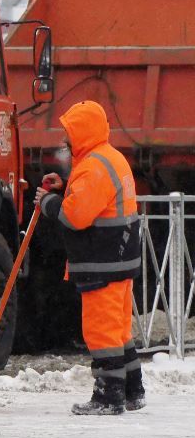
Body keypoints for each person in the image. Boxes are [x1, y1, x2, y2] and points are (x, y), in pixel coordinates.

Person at [34, 100, 144, 415]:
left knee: (101, 331)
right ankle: (133, 390)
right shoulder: (110, 158)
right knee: (119, 330)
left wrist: (49, 202)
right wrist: (66, 187)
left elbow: (76, 215)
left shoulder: (93, 165)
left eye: (69, 133)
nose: (65, 140)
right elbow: (94, 199)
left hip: (102, 261)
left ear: (82, 133)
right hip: (119, 260)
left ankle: (109, 397)